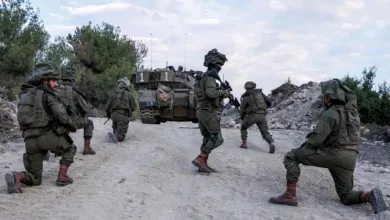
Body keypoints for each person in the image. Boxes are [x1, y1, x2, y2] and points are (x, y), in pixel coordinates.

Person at [268, 78, 388, 214]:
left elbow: (316, 141)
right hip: (350, 158)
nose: (323, 98)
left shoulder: (330, 113)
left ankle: (290, 196)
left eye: (324, 95)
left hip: (334, 155)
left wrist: (305, 148)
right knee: (346, 195)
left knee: (291, 156)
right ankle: (368, 195)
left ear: (329, 97)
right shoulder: (353, 114)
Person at [5, 62, 78, 193]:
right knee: (71, 148)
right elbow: (62, 116)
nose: (56, 84)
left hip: (29, 141)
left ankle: (18, 176)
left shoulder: (25, 95)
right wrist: (73, 127)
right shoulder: (47, 95)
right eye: (54, 81)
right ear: (45, 81)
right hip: (47, 138)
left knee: (35, 178)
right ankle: (62, 176)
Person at [192, 48, 230, 174]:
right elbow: (211, 93)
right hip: (208, 111)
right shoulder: (209, 78)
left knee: (207, 137)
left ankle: (204, 163)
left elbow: (196, 98)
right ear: (214, 63)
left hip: (201, 110)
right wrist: (224, 93)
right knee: (217, 138)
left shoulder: (201, 79)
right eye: (219, 64)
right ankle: (200, 158)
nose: (220, 67)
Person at [56, 64, 96, 155]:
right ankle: (87, 148)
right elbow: (85, 109)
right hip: (70, 122)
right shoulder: (74, 92)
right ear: (72, 79)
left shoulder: (54, 90)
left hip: (55, 122)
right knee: (89, 123)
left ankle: (58, 148)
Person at [239, 81, 275, 153]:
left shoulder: (246, 97)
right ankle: (271, 142)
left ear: (246, 88)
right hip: (262, 115)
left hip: (252, 116)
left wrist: (242, 116)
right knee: (265, 133)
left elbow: (242, 109)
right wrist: (264, 109)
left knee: (243, 127)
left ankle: (244, 143)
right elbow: (268, 102)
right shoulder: (260, 93)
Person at [105, 77, 137, 143]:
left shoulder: (114, 94)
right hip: (123, 116)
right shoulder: (129, 94)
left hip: (113, 115)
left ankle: (115, 134)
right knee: (121, 137)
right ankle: (117, 136)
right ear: (126, 84)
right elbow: (134, 107)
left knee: (116, 126)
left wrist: (109, 114)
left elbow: (107, 107)